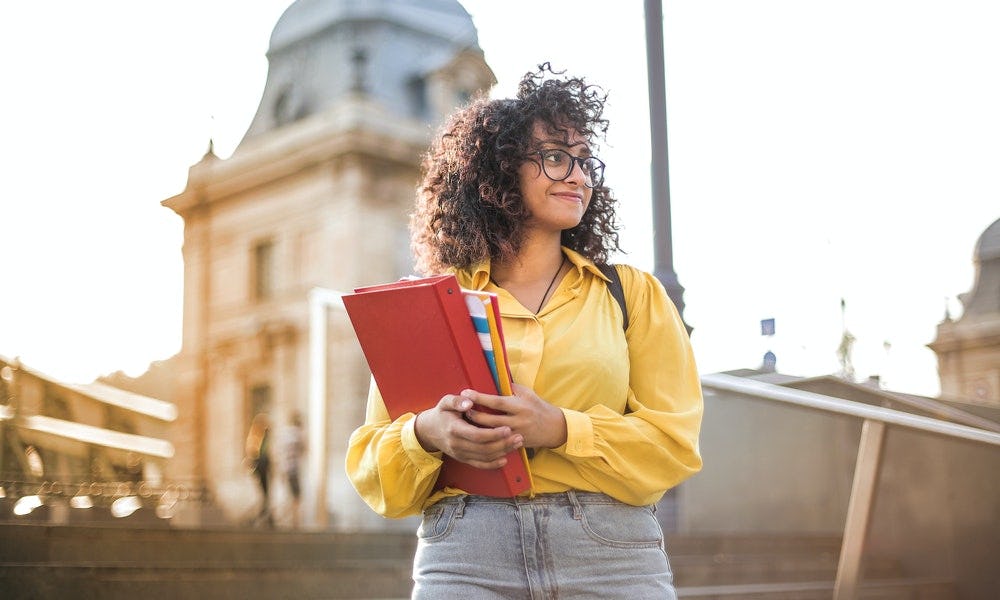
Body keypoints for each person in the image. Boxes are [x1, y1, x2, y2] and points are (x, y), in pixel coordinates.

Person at [346, 63, 703, 599]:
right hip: (465, 553)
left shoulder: (631, 294)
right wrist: (427, 435)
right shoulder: (433, 306)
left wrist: (559, 427)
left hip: (609, 553)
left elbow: (674, 446)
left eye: (584, 161)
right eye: (556, 157)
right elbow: (376, 471)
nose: (579, 176)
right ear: (497, 171)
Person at [245, 412, 273, 527]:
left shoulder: (263, 436)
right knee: (263, 491)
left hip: (263, 466)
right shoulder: (256, 436)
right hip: (260, 465)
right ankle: (264, 514)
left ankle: (266, 514)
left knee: (265, 491)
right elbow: (253, 452)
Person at [278, 410, 306, 528]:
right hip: (293, 468)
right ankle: (294, 521)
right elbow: (303, 449)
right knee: (296, 496)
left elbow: (280, 452)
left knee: (290, 494)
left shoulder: (285, 433)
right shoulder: (297, 434)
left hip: (285, 467)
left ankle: (289, 519)